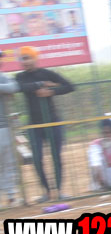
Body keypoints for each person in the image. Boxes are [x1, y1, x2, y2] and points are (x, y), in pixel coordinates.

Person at [15, 46, 74, 202]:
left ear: (35, 58)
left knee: (56, 156)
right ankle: (47, 192)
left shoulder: (47, 73)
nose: (25, 62)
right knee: (37, 159)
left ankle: (59, 191)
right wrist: (41, 84)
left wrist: (51, 91)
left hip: (53, 121)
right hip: (34, 125)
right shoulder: (20, 76)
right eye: (22, 59)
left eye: (27, 58)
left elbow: (70, 86)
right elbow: (21, 87)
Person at [0, 51, 21, 206]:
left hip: (4, 127)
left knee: (9, 162)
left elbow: (14, 87)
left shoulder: (2, 77)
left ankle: (11, 196)